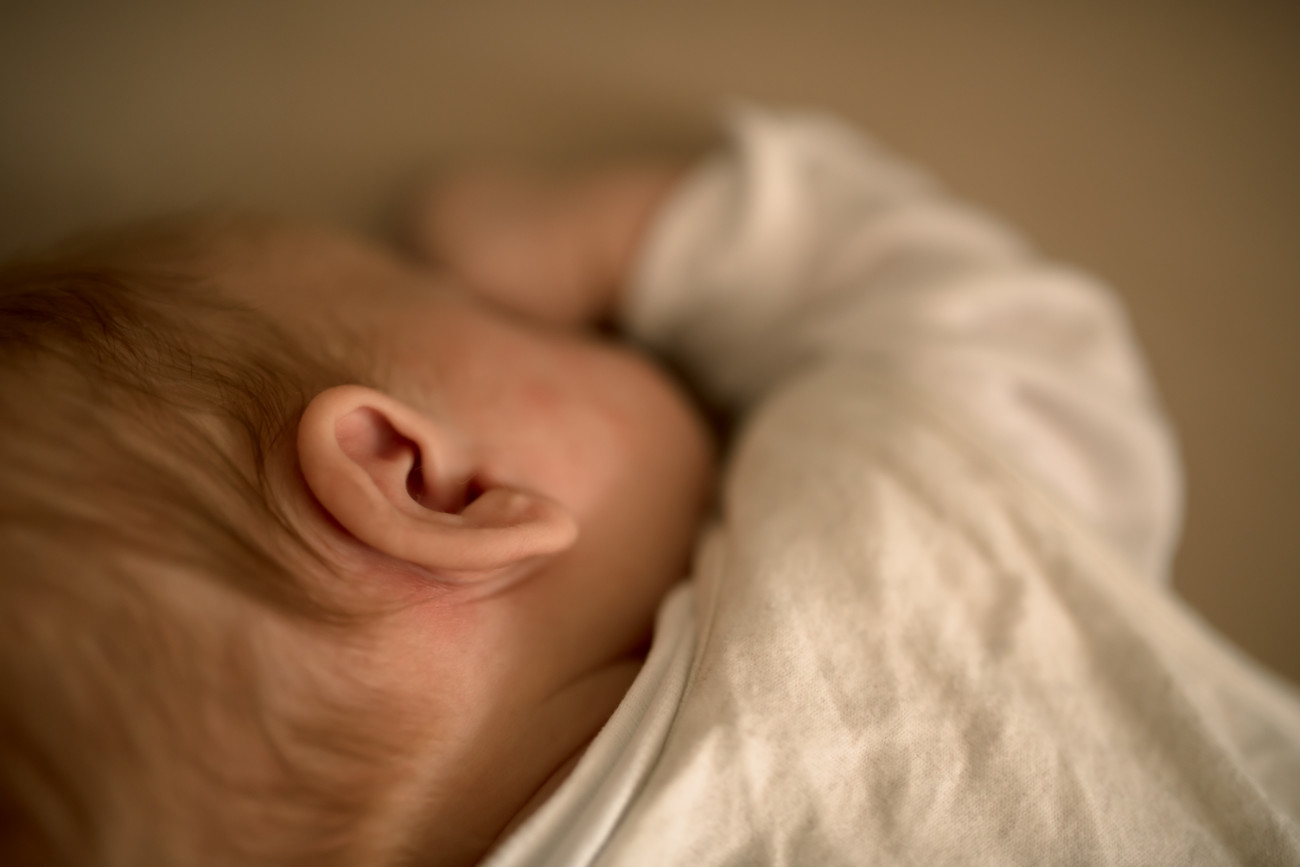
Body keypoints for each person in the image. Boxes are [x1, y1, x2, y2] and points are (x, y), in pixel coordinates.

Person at [1, 106, 1297, 867]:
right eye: (455, 308)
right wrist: (637, 235)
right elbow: (1007, 350)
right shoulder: (869, 531)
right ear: (420, 479)